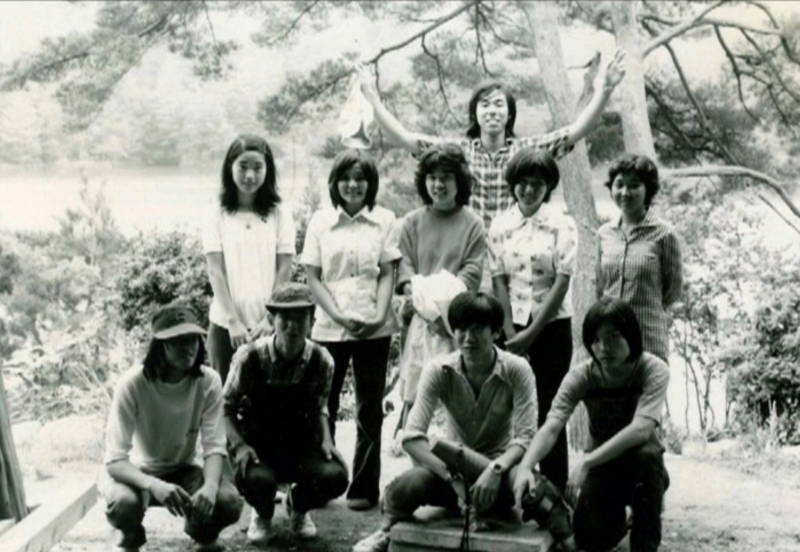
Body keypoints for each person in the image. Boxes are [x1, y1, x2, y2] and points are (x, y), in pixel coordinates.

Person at [358, 50, 627, 230]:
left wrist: (605, 90)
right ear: (475, 113)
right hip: (469, 248)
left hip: (514, 249)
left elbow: (577, 131)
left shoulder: (526, 152)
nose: (492, 111)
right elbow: (404, 138)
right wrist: (371, 96)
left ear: (509, 113)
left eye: (499, 105)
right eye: (484, 105)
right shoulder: (457, 152)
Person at [353, 292, 538, 552]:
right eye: (461, 329)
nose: (468, 338)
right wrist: (452, 479)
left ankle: (563, 540)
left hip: (500, 471)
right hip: (454, 469)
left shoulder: (517, 369)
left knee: (538, 492)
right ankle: (387, 531)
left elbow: (526, 437)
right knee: (404, 487)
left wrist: (495, 471)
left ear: (496, 332)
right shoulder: (439, 369)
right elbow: (411, 436)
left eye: (478, 329)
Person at [513, 297, 671, 552]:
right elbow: (552, 426)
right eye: (596, 340)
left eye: (613, 337)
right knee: (589, 538)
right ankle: (620, 520)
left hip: (640, 462)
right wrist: (525, 467)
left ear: (631, 336)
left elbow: (641, 430)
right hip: (603, 464)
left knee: (648, 456)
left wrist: (586, 462)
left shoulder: (653, 369)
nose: (604, 348)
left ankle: (645, 537)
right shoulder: (581, 375)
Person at [301, 149, 401, 511]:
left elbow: (388, 272)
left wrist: (379, 314)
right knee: (321, 404)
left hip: (375, 326)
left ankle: (364, 487)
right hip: (330, 326)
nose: (353, 185)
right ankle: (321, 482)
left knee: (369, 407)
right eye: (345, 178)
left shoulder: (385, 219)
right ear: (335, 183)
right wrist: (338, 316)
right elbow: (313, 277)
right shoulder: (320, 221)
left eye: (360, 179)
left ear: (370, 184)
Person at [101, 304, 243, 552]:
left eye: (193, 339)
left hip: (184, 469)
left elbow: (214, 446)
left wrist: (210, 487)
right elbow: (114, 461)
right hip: (138, 472)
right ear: (160, 346)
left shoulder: (208, 381)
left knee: (228, 501)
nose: (188, 347)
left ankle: (203, 535)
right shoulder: (133, 384)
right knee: (123, 504)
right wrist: (153, 485)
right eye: (178, 341)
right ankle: (130, 537)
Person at [223, 282, 348, 545]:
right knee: (256, 481)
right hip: (258, 446)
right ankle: (262, 514)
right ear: (272, 320)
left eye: (300, 318)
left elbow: (320, 407)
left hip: (301, 444)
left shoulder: (322, 360)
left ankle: (298, 508)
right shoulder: (248, 358)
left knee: (335, 476)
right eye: (285, 318)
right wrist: (239, 446)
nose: (293, 326)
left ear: (312, 321)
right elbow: (225, 408)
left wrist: (327, 440)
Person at [488, 148, 576, 491]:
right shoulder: (500, 224)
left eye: (537, 184)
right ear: (513, 184)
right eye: (522, 183)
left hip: (551, 327)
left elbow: (562, 281)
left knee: (551, 406)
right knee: (509, 406)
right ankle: (507, 485)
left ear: (548, 186)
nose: (528, 190)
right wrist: (510, 331)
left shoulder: (562, 223)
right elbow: (499, 279)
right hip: (510, 327)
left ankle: (553, 489)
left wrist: (532, 333)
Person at [395, 143, 486, 427]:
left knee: (455, 398)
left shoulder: (473, 224)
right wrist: (426, 308)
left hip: (457, 323)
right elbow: (405, 269)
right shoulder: (412, 222)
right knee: (417, 394)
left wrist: (444, 312)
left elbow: (471, 272)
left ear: (460, 181)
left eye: (446, 177)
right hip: (421, 322)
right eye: (432, 177)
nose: (438, 184)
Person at [203, 134, 296, 384]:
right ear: (230, 167)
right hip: (225, 327)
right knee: (224, 398)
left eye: (257, 167)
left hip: (268, 327)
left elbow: (284, 269)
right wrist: (233, 321)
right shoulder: (216, 212)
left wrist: (270, 318)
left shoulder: (280, 213)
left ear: (268, 169)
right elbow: (215, 271)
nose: (250, 175)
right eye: (243, 166)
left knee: (269, 401)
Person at [596, 154, 683, 362]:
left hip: (648, 340)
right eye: (619, 185)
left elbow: (672, 291)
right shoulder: (604, 234)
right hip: (610, 342)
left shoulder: (664, 234)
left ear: (648, 189)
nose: (625, 192)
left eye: (634, 185)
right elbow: (600, 286)